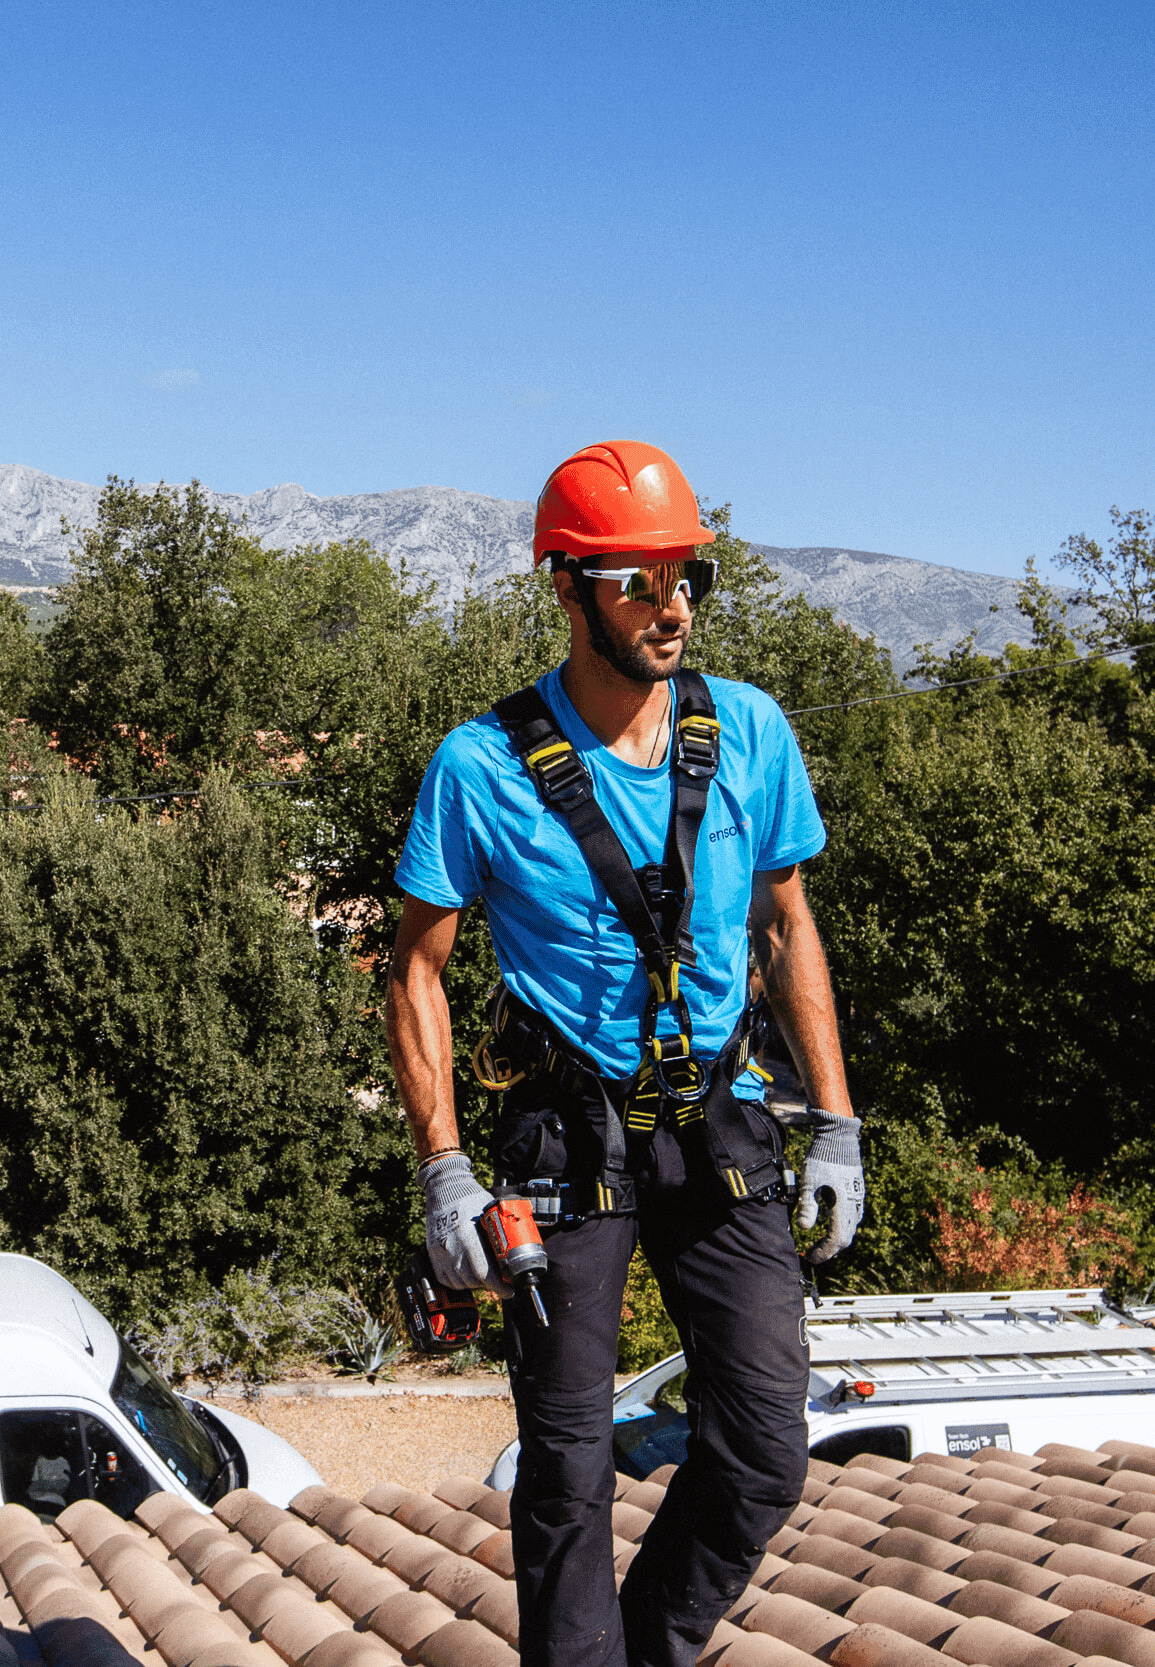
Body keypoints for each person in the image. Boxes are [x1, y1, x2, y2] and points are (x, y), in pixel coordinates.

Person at [384, 441, 864, 1667]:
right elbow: (418, 972)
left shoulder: (748, 730)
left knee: (763, 1444)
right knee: (566, 1469)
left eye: (684, 577)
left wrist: (838, 1123)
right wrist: (443, 1167)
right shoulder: (479, 765)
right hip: (562, 1137)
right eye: (637, 582)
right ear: (567, 586)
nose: (671, 607)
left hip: (722, 1119)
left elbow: (788, 920)